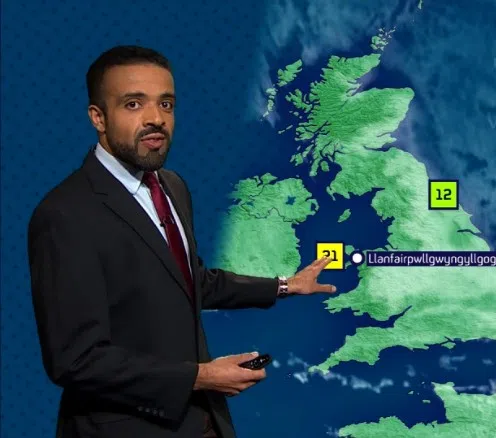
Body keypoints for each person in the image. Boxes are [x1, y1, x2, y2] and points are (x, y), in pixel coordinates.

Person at [26, 45, 337, 438]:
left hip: (202, 421)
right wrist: (199, 377)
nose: (156, 118)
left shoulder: (172, 188)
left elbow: (190, 281)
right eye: (133, 104)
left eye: (166, 104)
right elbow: (75, 360)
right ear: (98, 117)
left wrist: (286, 286)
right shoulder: (65, 215)